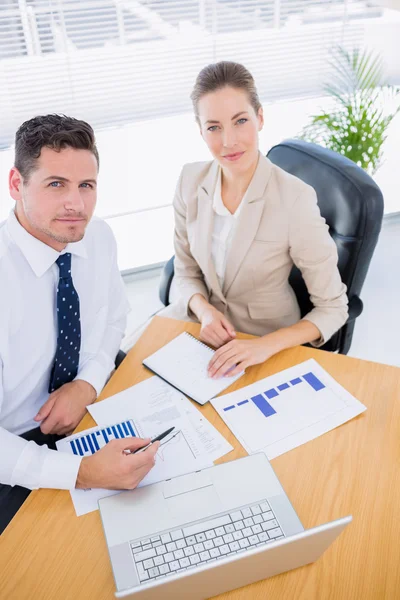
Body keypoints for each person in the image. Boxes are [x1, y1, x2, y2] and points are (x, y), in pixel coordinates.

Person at [0, 115, 158, 534]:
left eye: (86, 186)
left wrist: (86, 384)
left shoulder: (97, 235)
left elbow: (114, 318)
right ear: (16, 184)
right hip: (15, 447)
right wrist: (83, 472)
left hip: (86, 404)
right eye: (56, 184)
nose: (77, 204)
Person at [164, 61, 348, 378]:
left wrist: (264, 346)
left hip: (263, 341)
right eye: (214, 127)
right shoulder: (190, 181)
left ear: (260, 117)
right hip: (200, 331)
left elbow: (333, 309)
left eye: (240, 121)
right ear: (200, 130)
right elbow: (184, 271)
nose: (228, 141)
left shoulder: (294, 198)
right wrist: (204, 310)